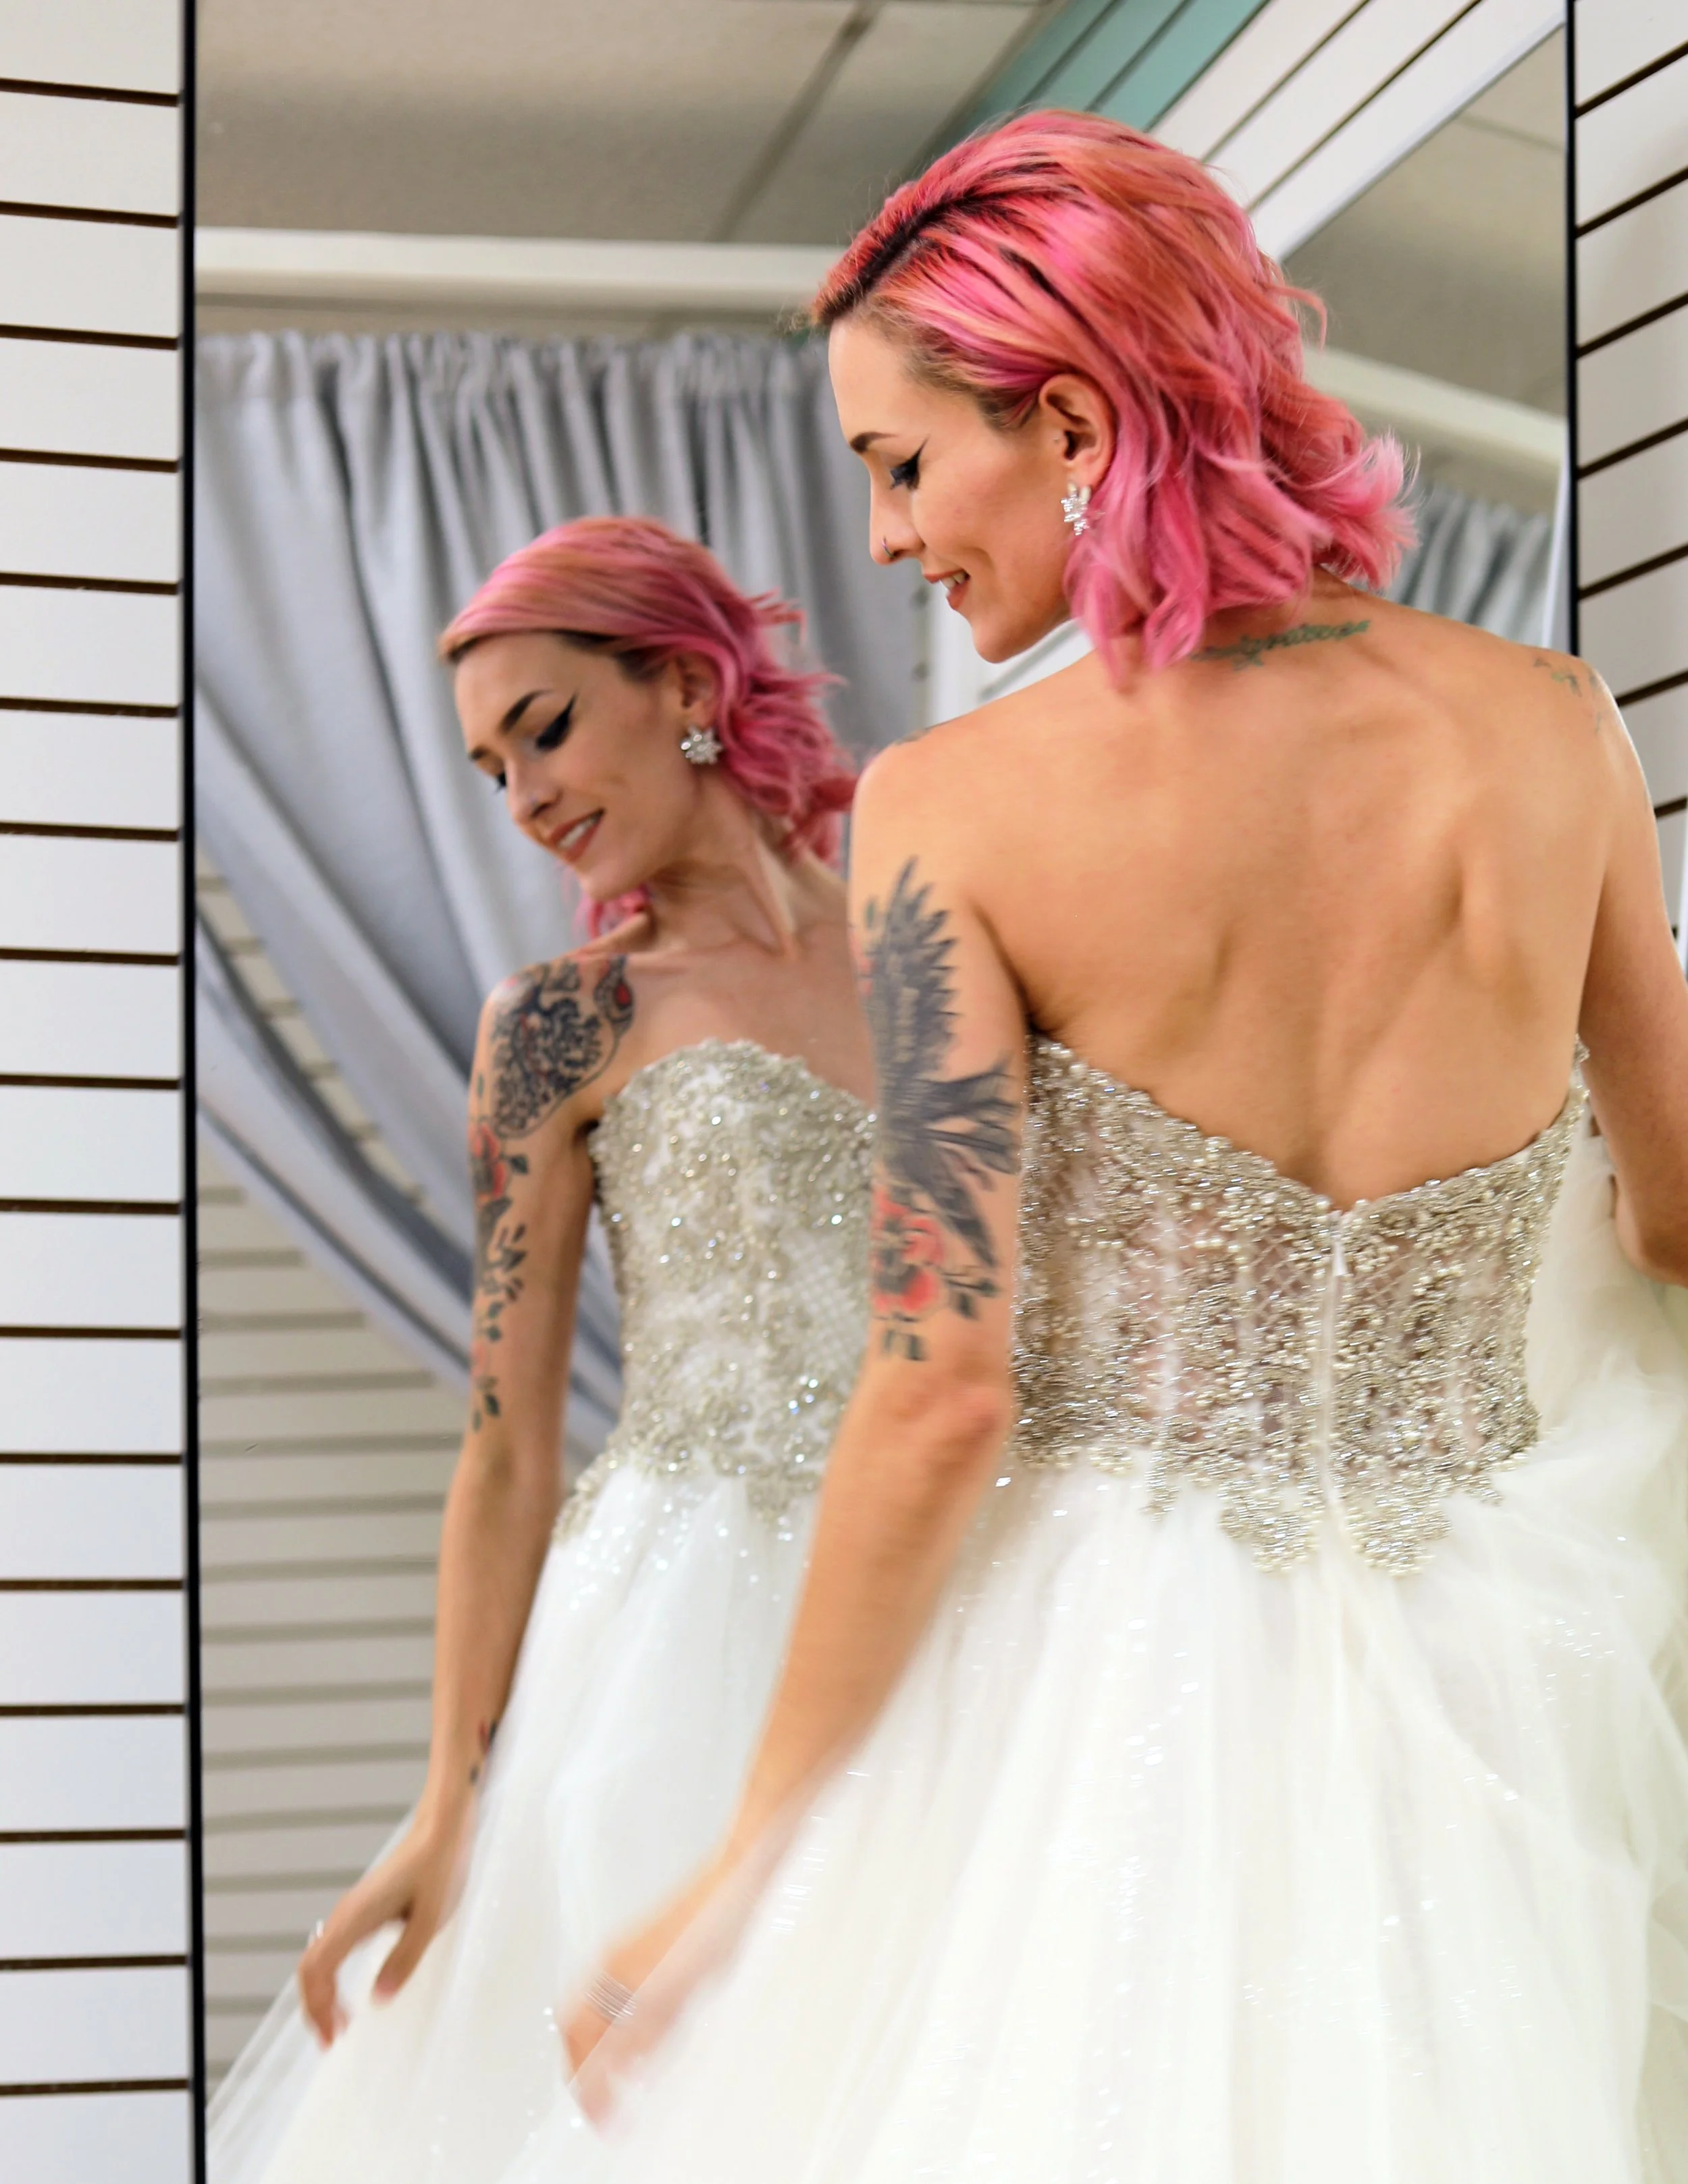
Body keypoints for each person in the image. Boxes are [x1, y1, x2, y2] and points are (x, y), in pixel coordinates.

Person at [558, 115, 1688, 2183]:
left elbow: (937, 1389)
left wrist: (742, 1861)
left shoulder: (953, 810)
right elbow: (1680, 1207)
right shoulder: (1554, 723)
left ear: (1071, 418)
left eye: (902, 465)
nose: (887, 537)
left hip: (1116, 1691)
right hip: (1506, 1667)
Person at [207, 516, 877, 2184]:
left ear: (685, 681)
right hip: (685, 1615)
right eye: (491, 766)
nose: (524, 798)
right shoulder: (566, 1022)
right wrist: (449, 1798)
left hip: (940, 1567)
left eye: (547, 728)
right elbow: (506, 1443)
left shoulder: (943, 957)